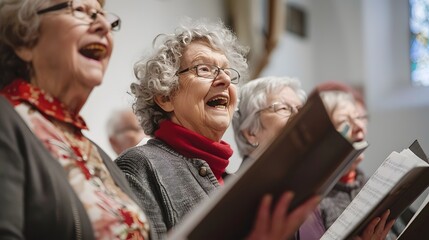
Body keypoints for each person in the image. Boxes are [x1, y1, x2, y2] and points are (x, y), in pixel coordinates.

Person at [115, 19, 320, 240]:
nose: (223, 79)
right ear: (165, 97)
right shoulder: (139, 167)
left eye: (227, 72)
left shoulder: (236, 185)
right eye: (204, 69)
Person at [0, 0, 152, 239]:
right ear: (23, 40)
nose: (103, 25)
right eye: (80, 10)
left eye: (102, 15)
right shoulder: (6, 123)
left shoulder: (97, 154)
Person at [232, 76, 395, 240]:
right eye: (283, 108)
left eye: (301, 110)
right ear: (251, 132)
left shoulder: (303, 189)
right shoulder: (235, 196)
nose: (298, 118)